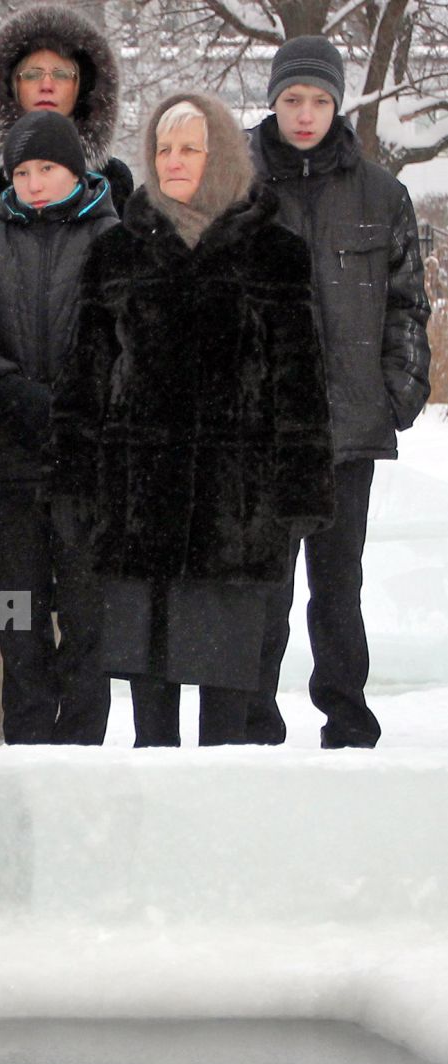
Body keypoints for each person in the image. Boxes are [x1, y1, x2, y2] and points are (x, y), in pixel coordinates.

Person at [49, 93, 334, 748]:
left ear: (222, 155)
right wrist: (73, 483)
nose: (172, 161)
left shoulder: (273, 253)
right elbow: (83, 381)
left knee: (226, 715)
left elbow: (299, 383)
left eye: (189, 147)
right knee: (150, 719)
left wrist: (299, 493)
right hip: (140, 505)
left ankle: (223, 842)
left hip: (234, 509)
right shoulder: (116, 252)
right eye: (162, 148)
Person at [246, 36, 432, 748]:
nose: (303, 114)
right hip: (261, 428)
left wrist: (398, 393)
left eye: (318, 100)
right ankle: (252, 722)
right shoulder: (237, 184)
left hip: (347, 426)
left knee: (337, 587)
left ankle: (346, 720)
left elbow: (406, 303)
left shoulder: (379, 194)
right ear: (272, 101)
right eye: (291, 99)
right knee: (262, 586)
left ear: (337, 104)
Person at [0, 111, 118, 744]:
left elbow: (121, 336)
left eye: (47, 168)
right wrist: (18, 394)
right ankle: (26, 741)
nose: (35, 183)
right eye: (22, 172)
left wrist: (77, 403)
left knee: (87, 619)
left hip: (88, 460)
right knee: (19, 619)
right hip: (13, 457)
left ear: (75, 170)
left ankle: (82, 748)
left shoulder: (114, 238)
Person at [0, 5, 132, 227]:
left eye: (61, 74)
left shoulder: (111, 179)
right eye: (32, 74)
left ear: (84, 87)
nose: (47, 85)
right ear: (10, 85)